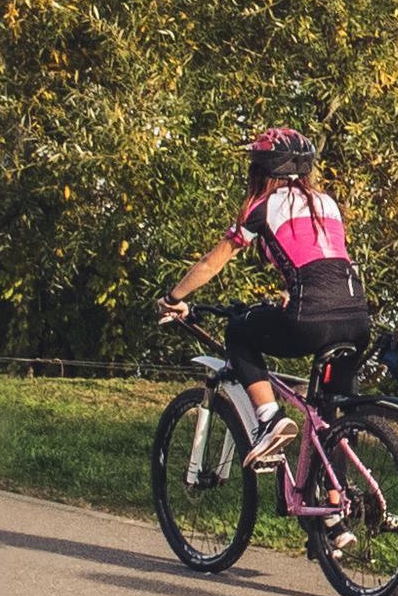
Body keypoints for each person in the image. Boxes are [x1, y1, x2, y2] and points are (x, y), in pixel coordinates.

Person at [156, 128, 372, 467]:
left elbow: (211, 262)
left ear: (261, 170)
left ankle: (269, 419)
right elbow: (323, 261)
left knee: (239, 331)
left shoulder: (262, 206)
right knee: (332, 418)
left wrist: (174, 296)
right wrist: (291, 291)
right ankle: (335, 510)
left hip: (311, 318)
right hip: (357, 319)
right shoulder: (327, 202)